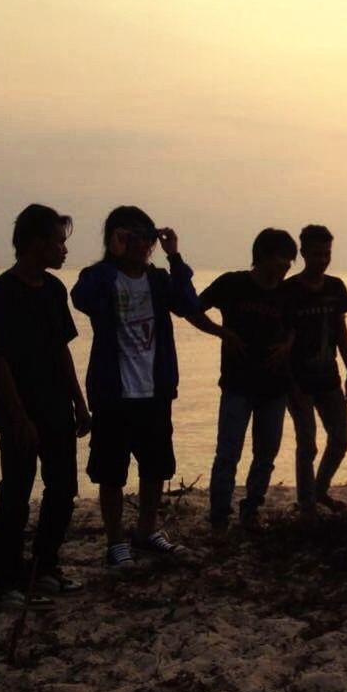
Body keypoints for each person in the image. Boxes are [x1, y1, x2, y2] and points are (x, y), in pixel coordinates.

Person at [71, 206, 199, 568]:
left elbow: (189, 303)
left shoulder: (159, 280)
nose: (141, 244)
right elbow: (83, 300)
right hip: (114, 393)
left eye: (146, 236)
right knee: (111, 471)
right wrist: (112, 258)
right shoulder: (99, 277)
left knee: (155, 466)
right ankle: (116, 542)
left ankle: (146, 531)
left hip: (155, 391)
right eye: (130, 237)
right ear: (115, 239)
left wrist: (175, 256)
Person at [0, 205, 91, 608]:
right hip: (18, 414)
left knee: (62, 490)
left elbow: (61, 349)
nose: (63, 250)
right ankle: (5, 581)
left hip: (56, 407)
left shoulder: (53, 290)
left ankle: (44, 568)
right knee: (15, 495)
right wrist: (19, 417)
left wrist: (80, 403)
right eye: (58, 242)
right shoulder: (1, 293)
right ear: (34, 243)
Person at [188, 229, 297, 540]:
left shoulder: (284, 294)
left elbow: (293, 328)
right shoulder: (232, 283)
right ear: (262, 255)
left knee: (266, 454)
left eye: (290, 260)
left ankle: (250, 511)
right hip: (237, 384)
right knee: (228, 453)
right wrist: (222, 333)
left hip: (274, 388)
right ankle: (219, 518)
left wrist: (288, 345)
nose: (286, 266)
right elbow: (193, 310)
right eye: (281, 258)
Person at [283, 225, 347, 514]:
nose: (322, 260)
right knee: (308, 444)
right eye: (316, 254)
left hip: (330, 377)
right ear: (303, 253)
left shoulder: (335, 287)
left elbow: (341, 329)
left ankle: (319, 490)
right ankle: (306, 502)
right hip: (299, 380)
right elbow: (283, 337)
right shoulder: (289, 290)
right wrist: (290, 384)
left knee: (340, 439)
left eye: (326, 254)